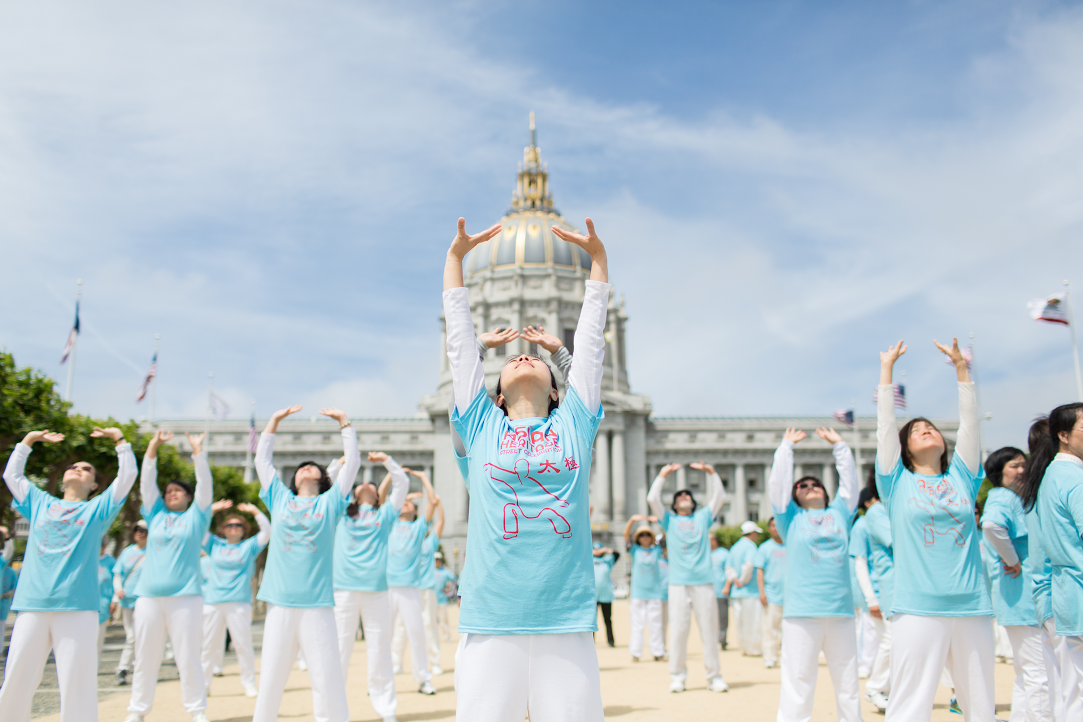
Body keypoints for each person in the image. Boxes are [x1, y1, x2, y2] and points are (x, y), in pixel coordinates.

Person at [444, 216, 610, 721]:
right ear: (491, 391)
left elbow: (593, 345)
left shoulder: (574, 427)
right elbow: (457, 345)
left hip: (566, 618)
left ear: (558, 387)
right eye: (509, 358)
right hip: (491, 616)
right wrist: (455, 259)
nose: (521, 356)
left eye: (534, 357)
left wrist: (599, 262)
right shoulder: (480, 429)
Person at [876, 339, 992, 722]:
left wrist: (962, 370)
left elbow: (971, 424)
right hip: (917, 608)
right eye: (917, 430)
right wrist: (887, 370)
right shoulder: (896, 482)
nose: (926, 431)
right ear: (905, 449)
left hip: (972, 605)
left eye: (931, 428)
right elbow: (884, 426)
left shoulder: (963, 476)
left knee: (980, 705)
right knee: (910, 705)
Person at [0, 426, 136, 722]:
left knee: (78, 685)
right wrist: (27, 441)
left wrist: (119, 441)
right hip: (33, 605)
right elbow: (12, 476)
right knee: (16, 681)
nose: (77, 469)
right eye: (73, 467)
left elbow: (126, 477)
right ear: (63, 479)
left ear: (94, 486)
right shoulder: (40, 502)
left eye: (86, 469)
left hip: (77, 607)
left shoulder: (98, 509)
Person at [252, 404, 360, 722]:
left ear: (324, 478)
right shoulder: (279, 498)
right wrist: (274, 420)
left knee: (327, 681)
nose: (305, 468)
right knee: (271, 678)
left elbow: (351, 463)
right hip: (280, 603)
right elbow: (262, 459)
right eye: (301, 467)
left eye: (312, 467)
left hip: (317, 605)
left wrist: (344, 423)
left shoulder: (330, 503)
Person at [768, 427, 862, 722]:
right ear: (794, 496)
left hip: (841, 611)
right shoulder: (790, 518)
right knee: (799, 679)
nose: (810, 486)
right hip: (802, 612)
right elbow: (778, 486)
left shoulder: (841, 513)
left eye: (816, 483)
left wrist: (841, 447)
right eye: (803, 485)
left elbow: (850, 485)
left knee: (847, 680)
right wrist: (785, 448)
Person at [125, 430, 214, 722]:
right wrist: (153, 447)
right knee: (145, 656)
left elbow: (205, 487)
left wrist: (197, 452)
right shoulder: (155, 515)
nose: (170, 493)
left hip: (185, 598)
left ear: (188, 497)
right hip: (148, 596)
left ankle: (197, 710)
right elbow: (146, 482)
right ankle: (137, 710)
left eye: (178, 490)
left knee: (187, 656)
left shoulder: (197, 516)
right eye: (168, 491)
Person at [331, 452, 407, 722]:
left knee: (379, 651)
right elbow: (330, 485)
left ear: (377, 496)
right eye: (360, 483)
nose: (365, 484)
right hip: (343, 590)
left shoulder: (385, 515)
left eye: (372, 485)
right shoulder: (340, 512)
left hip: (376, 592)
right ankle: (333, 712)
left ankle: (387, 710)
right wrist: (340, 463)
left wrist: (387, 460)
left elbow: (402, 484)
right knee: (338, 651)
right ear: (353, 492)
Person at [1021, 402, 1083, 719]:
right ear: (1063, 435)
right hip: (1071, 595)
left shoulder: (1050, 478)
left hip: (1061, 598)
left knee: (1068, 694)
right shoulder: (1072, 478)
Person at [648, 460, 729, 693]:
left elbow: (720, 497)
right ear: (674, 504)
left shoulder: (703, 517)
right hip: (678, 583)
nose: (684, 495)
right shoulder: (669, 520)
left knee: (709, 630)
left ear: (693, 503)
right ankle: (678, 676)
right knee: (679, 630)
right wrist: (663, 474)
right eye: (680, 495)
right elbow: (652, 499)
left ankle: (714, 676)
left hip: (703, 581)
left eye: (688, 494)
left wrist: (712, 472)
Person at [982, 446, 1050, 720]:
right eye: (1014, 466)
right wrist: (1012, 559)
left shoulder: (1012, 498)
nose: (1022, 470)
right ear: (999, 473)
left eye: (1024, 464)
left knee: (1027, 673)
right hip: (1022, 597)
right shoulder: (1003, 498)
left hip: (1017, 600)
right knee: (1040, 674)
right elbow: (990, 526)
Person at [200, 500, 271, 698]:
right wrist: (212, 509)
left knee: (243, 644)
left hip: (239, 602)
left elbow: (267, 532)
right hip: (213, 602)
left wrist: (255, 510)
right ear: (223, 529)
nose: (233, 528)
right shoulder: (214, 544)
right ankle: (204, 685)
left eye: (237, 525)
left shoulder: (248, 547)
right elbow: (199, 526)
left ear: (243, 530)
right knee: (208, 646)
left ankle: (248, 683)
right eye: (229, 525)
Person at [386, 473, 439, 694]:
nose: (405, 503)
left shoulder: (418, 528)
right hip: (387, 587)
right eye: (403, 501)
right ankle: (381, 680)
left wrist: (424, 478)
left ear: (415, 510)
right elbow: (382, 497)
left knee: (416, 633)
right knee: (383, 635)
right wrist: (392, 474)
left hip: (409, 588)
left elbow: (434, 502)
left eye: (409, 502)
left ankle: (423, 678)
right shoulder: (388, 524)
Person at [860, 480, 895, 713]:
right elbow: (859, 562)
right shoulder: (876, 514)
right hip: (893, 587)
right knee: (892, 638)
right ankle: (876, 685)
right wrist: (871, 598)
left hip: (912, 586)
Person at [623, 514, 665, 662]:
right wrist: (632, 520)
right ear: (638, 538)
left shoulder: (656, 550)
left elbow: (665, 537)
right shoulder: (634, 550)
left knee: (655, 624)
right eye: (642, 535)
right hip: (638, 593)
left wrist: (659, 522)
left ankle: (658, 652)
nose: (645, 537)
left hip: (654, 593)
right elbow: (625, 535)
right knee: (637, 624)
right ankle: (635, 652)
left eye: (648, 535)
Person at [114, 520, 148, 685]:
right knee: (132, 636)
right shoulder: (127, 552)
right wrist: (118, 589)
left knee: (142, 636)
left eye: (143, 530)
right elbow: (118, 573)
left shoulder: (153, 552)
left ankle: (130, 668)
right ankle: (123, 668)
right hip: (127, 601)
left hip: (145, 600)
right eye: (137, 529)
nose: (139, 532)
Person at [726, 520, 763, 657]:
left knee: (740, 622)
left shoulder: (735, 547)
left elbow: (728, 568)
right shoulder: (751, 546)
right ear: (752, 533)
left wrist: (735, 579)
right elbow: (749, 565)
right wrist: (742, 580)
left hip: (737, 592)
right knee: (753, 621)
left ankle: (744, 647)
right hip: (750, 591)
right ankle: (754, 648)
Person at [755, 517, 785, 669]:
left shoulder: (792, 546)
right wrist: (762, 592)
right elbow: (760, 571)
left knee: (790, 630)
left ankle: (789, 658)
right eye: (773, 526)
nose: (776, 528)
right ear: (769, 529)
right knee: (770, 628)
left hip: (792, 597)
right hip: (772, 595)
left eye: (778, 525)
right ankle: (770, 657)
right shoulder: (765, 548)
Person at [593, 542, 619, 647]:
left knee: (607, 619)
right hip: (593, 596)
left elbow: (617, 554)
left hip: (606, 595)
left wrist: (606, 549)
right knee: (592, 621)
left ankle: (611, 641)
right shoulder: (589, 560)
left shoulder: (607, 561)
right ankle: (591, 642)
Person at [710, 533, 730, 652]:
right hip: (708, 591)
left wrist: (727, 586)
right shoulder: (703, 554)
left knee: (723, 618)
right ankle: (712, 640)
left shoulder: (724, 554)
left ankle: (722, 640)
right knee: (709, 618)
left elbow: (729, 570)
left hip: (721, 590)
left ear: (714, 541)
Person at [98, 536, 117, 660]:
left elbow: (116, 580)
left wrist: (114, 600)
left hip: (102, 604)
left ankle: (93, 670)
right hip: (83, 605)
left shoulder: (110, 562)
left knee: (97, 640)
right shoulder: (86, 559)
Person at [433, 553, 457, 641]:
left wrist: (448, 588)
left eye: (438, 560)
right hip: (431, 600)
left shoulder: (445, 571)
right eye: (435, 560)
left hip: (442, 600)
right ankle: (433, 639)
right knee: (430, 621)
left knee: (443, 621)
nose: (437, 561)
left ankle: (447, 637)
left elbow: (454, 580)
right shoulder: (429, 570)